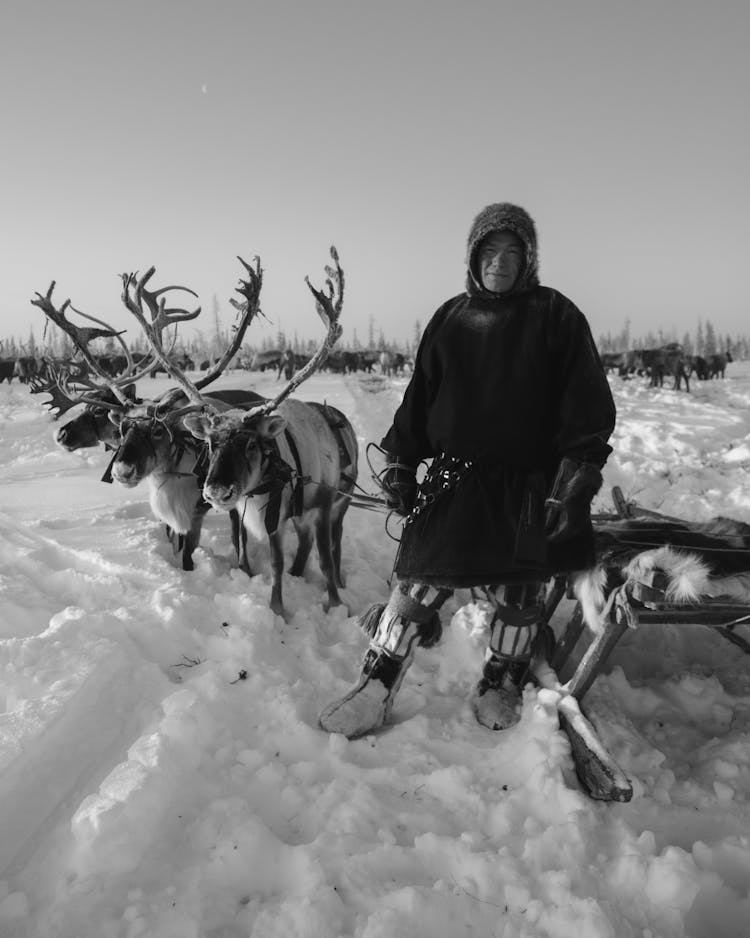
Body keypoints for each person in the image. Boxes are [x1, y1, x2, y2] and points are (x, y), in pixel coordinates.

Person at [319, 202, 616, 739]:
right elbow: (420, 399)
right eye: (489, 251)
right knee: (415, 586)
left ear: (529, 259)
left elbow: (587, 405)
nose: (499, 263)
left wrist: (573, 478)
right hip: (455, 479)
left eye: (512, 252)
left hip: (528, 484)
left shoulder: (556, 314)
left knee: (519, 594)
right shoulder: (452, 317)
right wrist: (403, 464)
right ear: (473, 257)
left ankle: (501, 677)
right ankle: (376, 684)